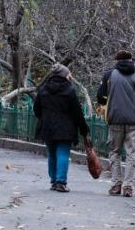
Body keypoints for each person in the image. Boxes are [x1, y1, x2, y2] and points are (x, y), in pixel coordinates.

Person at [95, 50, 135, 197]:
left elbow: (101, 97)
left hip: (115, 119)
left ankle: (116, 184)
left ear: (117, 61)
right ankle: (128, 187)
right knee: (131, 153)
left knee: (114, 152)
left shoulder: (109, 75)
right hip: (134, 120)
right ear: (131, 60)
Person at [33, 63, 90, 193]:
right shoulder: (69, 90)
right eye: (69, 74)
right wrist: (84, 129)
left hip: (47, 127)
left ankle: (54, 181)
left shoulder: (43, 90)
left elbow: (36, 110)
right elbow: (77, 112)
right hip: (65, 128)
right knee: (63, 153)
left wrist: (45, 116)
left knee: (52, 154)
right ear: (64, 75)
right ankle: (61, 182)